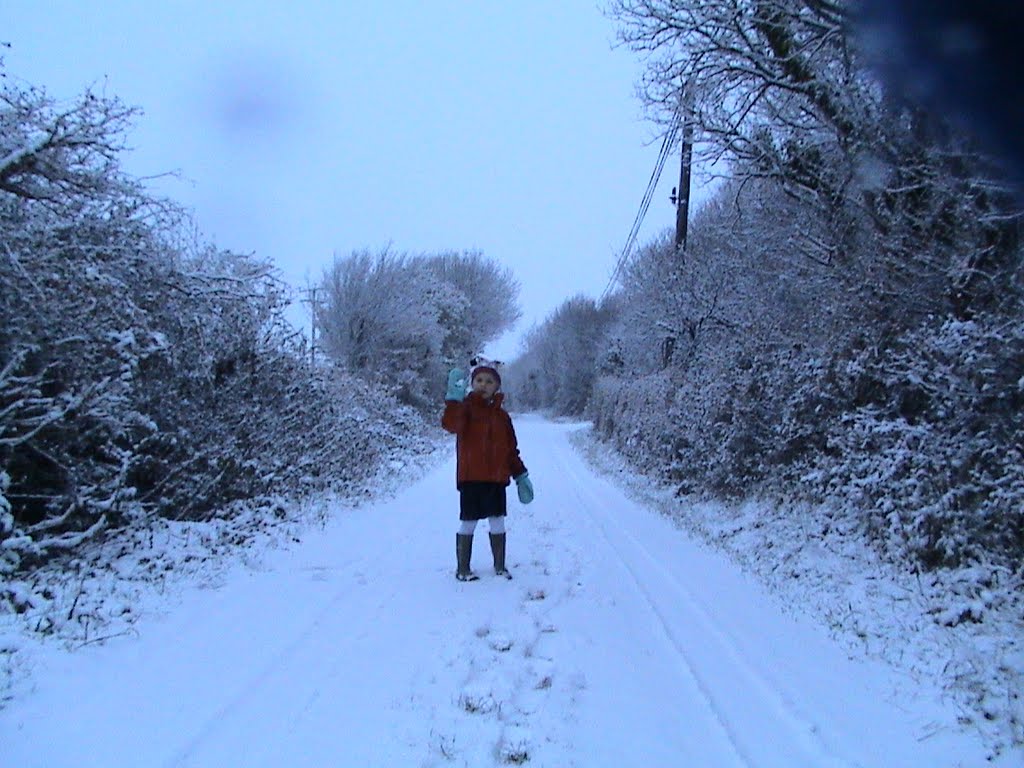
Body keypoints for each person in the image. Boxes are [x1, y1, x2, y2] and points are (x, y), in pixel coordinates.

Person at [441, 363, 534, 581]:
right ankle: (463, 569)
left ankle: (500, 566)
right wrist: (453, 401)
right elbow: (450, 425)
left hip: (496, 479)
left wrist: (520, 475)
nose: (484, 384)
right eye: (479, 380)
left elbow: (511, 449)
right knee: (469, 521)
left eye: (489, 381)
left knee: (497, 520)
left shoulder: (502, 417)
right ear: (472, 384)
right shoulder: (464, 410)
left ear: (497, 387)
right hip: (471, 477)